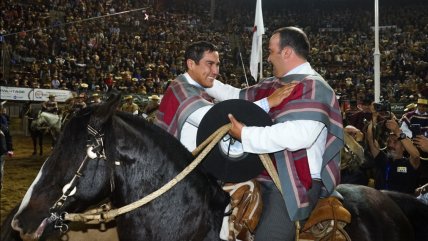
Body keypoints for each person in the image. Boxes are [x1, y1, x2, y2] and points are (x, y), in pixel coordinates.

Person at [205, 27, 344, 241]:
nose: (268, 57)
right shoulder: (273, 85)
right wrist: (201, 78)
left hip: (292, 181)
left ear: (287, 52)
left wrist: (245, 134)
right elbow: (236, 96)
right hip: (260, 173)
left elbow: (299, 136)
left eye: (271, 51)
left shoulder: (316, 87)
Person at [155, 41, 291, 152]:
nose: (215, 71)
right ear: (191, 64)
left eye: (217, 65)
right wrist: (268, 102)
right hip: (178, 169)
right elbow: (217, 120)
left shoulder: (196, 80)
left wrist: (271, 83)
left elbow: (233, 94)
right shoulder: (183, 92)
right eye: (209, 64)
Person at [366, 116, 420, 194]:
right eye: (388, 141)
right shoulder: (382, 159)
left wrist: (398, 132)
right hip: (382, 203)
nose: (390, 145)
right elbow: (370, 139)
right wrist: (374, 115)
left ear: (404, 147)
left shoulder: (410, 163)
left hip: (403, 204)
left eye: (395, 142)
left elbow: (416, 155)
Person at [0, 120, 14, 191]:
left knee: (0, 168)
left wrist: (10, 150)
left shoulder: (4, 128)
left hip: (1, 152)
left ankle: (0, 183)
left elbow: (9, 139)